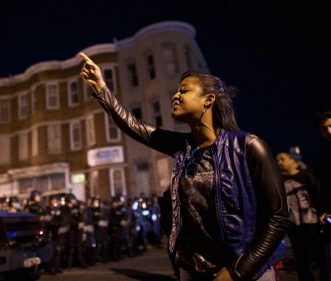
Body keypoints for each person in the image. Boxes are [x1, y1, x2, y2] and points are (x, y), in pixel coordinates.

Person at [79, 52, 289, 281]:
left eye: (184, 90)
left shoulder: (248, 147)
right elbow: (134, 127)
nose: (175, 96)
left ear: (208, 100)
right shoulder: (183, 147)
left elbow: (277, 217)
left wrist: (237, 271)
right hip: (192, 268)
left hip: (244, 271)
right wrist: (101, 89)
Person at [276, 152, 322, 281]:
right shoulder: (280, 181)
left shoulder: (307, 176)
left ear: (292, 160)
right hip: (294, 226)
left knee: (317, 259)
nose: (279, 162)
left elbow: (318, 196)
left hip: (312, 223)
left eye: (282, 159)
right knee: (301, 260)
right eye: (277, 160)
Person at [313, 110, 331, 281]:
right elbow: (321, 188)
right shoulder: (323, 156)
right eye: (325, 128)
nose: (329, 131)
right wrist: (322, 210)